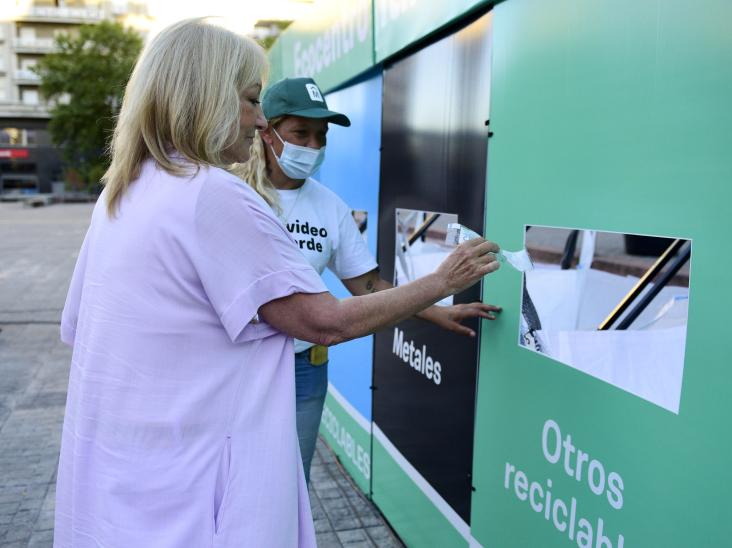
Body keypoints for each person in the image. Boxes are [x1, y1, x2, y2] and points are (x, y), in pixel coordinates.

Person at [55, 19, 499, 547]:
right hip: (194, 491)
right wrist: (442, 280)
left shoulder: (121, 196)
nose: (257, 119)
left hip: (130, 483)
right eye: (249, 100)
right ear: (205, 98)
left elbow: (79, 326)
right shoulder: (211, 194)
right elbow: (323, 322)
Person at [233, 77, 502, 481]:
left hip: (304, 367)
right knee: (235, 477)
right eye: (300, 133)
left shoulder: (330, 208)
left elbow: (369, 286)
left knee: (290, 484)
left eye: (321, 136)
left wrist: (436, 312)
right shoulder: (233, 192)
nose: (312, 147)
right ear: (266, 131)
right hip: (238, 363)